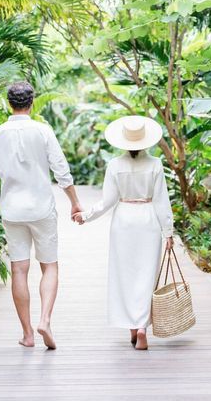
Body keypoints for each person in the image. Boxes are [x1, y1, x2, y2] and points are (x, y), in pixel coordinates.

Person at [0, 81, 82, 350]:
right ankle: (45, 321)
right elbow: (61, 171)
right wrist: (74, 202)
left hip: (12, 211)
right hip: (41, 209)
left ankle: (27, 334)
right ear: (32, 103)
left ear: (9, 103)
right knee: (49, 265)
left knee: (19, 268)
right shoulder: (43, 131)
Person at [73, 115, 174, 350]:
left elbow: (107, 201)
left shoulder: (115, 165)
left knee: (126, 275)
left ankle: (132, 326)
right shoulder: (155, 164)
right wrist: (168, 232)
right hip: (148, 219)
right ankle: (141, 328)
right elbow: (161, 201)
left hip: (124, 220)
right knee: (147, 275)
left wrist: (85, 216)